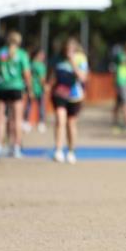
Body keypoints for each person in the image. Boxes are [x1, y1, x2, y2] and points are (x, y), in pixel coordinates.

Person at [0, 30, 33, 158]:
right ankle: (16, 147)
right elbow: (26, 74)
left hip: (1, 87)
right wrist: (30, 89)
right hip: (16, 87)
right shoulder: (21, 54)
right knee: (17, 119)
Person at [49, 36, 89, 164]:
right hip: (59, 94)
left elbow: (83, 78)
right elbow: (52, 75)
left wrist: (73, 63)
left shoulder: (81, 59)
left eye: (71, 49)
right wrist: (49, 85)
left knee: (71, 123)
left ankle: (71, 151)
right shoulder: (58, 59)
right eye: (67, 49)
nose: (68, 52)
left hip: (75, 95)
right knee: (60, 120)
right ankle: (58, 150)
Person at [24, 48, 48, 133]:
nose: (43, 56)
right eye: (42, 54)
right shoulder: (41, 66)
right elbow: (42, 79)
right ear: (37, 55)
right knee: (41, 106)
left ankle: (26, 122)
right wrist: (44, 86)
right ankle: (41, 123)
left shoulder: (30, 64)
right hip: (38, 89)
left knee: (29, 105)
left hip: (30, 88)